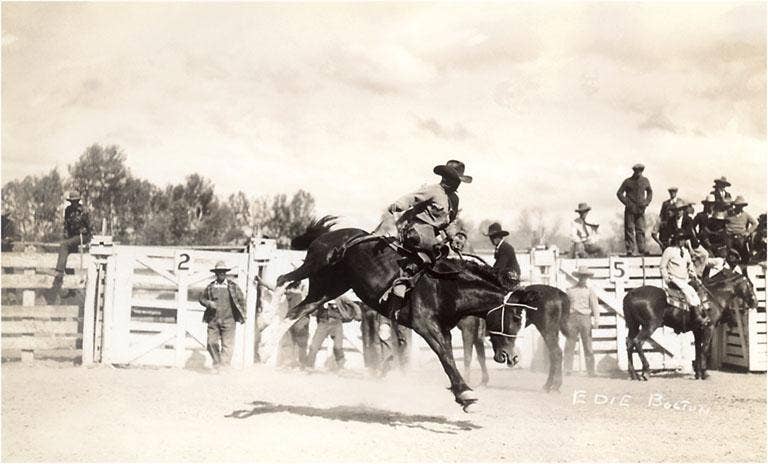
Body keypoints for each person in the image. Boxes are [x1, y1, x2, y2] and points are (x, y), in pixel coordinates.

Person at [383, 160, 472, 324]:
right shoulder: (433, 190)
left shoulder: (454, 199)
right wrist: (397, 206)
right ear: (445, 177)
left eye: (457, 180)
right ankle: (401, 284)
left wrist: (454, 239)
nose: (455, 183)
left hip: (433, 233)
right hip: (418, 229)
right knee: (431, 251)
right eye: (453, 179)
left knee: (442, 256)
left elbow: (448, 222)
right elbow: (412, 197)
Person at [199, 261, 247, 371]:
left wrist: (242, 315)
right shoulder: (211, 287)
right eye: (218, 272)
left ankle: (224, 366)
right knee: (211, 342)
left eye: (223, 272)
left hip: (229, 320)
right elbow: (201, 298)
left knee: (228, 345)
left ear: (226, 273)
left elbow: (241, 300)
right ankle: (217, 363)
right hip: (213, 319)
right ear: (215, 273)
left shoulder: (233, 286)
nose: (221, 274)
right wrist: (208, 303)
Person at [660, 233, 709, 328]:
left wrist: (695, 276)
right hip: (674, 278)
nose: (682, 241)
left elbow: (690, 266)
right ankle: (697, 317)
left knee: (697, 290)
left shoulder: (686, 252)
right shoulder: (669, 251)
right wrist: (666, 279)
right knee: (689, 291)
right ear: (676, 240)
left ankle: (702, 312)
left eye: (683, 239)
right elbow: (662, 266)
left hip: (684, 279)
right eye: (680, 239)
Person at [306, 296, 360, 370]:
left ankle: (341, 367)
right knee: (314, 346)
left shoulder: (340, 297)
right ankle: (309, 366)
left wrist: (358, 315)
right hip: (323, 323)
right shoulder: (321, 296)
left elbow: (354, 305)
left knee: (338, 347)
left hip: (336, 323)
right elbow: (312, 307)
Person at [563, 266, 600, 376]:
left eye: (585, 277)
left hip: (585, 319)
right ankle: (567, 370)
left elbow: (595, 307)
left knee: (588, 346)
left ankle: (591, 371)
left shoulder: (590, 291)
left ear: (587, 278)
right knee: (569, 345)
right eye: (581, 277)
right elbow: (565, 306)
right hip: (572, 319)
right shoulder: (570, 291)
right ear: (578, 277)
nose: (583, 279)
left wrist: (596, 320)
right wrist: (565, 320)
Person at [54, 191, 92, 284]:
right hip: (73, 237)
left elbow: (90, 227)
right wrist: (65, 236)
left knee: (64, 245)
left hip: (83, 236)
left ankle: (59, 271)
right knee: (68, 254)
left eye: (75, 201)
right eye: (71, 201)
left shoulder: (84, 210)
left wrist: (90, 239)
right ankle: (72, 288)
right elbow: (66, 226)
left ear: (78, 201)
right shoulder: (68, 210)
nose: (73, 204)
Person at [616, 163, 653, 256]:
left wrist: (646, 202)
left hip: (640, 210)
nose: (639, 173)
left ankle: (642, 249)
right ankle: (630, 249)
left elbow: (650, 192)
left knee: (640, 229)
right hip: (630, 210)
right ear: (634, 171)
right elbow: (619, 193)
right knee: (629, 229)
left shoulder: (645, 181)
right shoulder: (628, 181)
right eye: (637, 171)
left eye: (640, 171)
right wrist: (627, 203)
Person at [725, 196, 758, 264]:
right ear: (735, 206)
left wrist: (748, 232)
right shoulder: (729, 214)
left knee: (745, 256)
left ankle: (744, 265)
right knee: (727, 255)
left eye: (741, 206)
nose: (739, 207)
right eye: (737, 206)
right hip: (729, 237)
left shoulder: (746, 215)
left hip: (741, 237)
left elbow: (755, 223)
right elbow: (721, 221)